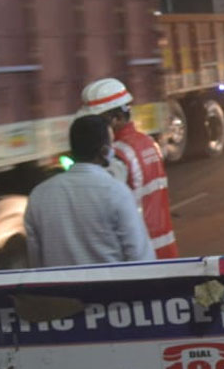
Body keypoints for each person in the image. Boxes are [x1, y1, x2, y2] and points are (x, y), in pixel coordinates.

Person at [24, 115, 155, 267]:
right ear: (104, 151)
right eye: (111, 145)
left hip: (60, 290)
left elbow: (36, 262)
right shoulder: (116, 192)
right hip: (109, 289)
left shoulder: (39, 195)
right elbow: (141, 258)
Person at [80, 77, 179, 258]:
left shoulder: (116, 155)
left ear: (116, 118)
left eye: (98, 121)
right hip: (166, 247)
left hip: (140, 254)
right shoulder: (149, 143)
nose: (94, 127)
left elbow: (109, 210)